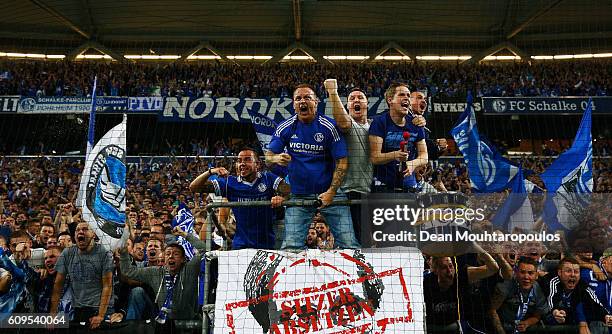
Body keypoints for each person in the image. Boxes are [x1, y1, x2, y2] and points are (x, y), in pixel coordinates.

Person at [266, 84, 359, 249]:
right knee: (291, 248)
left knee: (349, 245)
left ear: (316, 102)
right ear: (294, 105)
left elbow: (342, 161)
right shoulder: (285, 127)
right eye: (298, 98)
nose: (303, 101)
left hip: (332, 195)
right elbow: (268, 157)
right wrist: (276, 157)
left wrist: (331, 192)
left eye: (307, 97)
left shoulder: (329, 127)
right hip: (299, 196)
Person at [190, 148, 289, 249]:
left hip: (267, 244)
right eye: (239, 161)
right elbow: (193, 187)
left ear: (258, 164)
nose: (242, 163)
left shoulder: (268, 178)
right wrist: (210, 172)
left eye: (247, 160)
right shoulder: (230, 183)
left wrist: (282, 198)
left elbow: (289, 192)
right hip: (241, 245)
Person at [119, 227, 207, 332]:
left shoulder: (190, 269)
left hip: (189, 322)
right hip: (165, 323)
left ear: (183, 259)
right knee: (137, 292)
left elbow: (204, 249)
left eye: (176, 254)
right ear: (164, 258)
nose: (171, 257)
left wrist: (184, 234)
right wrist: (124, 253)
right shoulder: (155, 272)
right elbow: (128, 271)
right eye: (168, 254)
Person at [325, 79, 372, 243]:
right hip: (347, 192)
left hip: (373, 193)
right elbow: (343, 122)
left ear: (367, 103)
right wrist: (333, 92)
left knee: (373, 243)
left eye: (360, 97)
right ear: (347, 106)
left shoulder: (375, 127)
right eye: (352, 99)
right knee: (352, 243)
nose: (356, 100)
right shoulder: (346, 124)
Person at [50, 222, 114, 329]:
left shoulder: (104, 253)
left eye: (84, 229)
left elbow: (107, 286)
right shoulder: (67, 253)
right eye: (77, 230)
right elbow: (58, 285)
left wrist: (100, 315)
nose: (80, 232)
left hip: (101, 308)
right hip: (78, 309)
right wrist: (52, 314)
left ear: (93, 233)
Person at [423, 244, 500, 332]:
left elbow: (494, 268)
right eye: (444, 267)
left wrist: (474, 246)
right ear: (435, 270)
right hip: (431, 328)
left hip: (456, 326)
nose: (449, 271)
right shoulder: (424, 282)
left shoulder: (460, 276)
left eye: (451, 266)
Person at [369, 83, 428, 192]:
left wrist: (412, 164)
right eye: (401, 94)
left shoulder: (416, 124)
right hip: (383, 186)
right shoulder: (379, 123)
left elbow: (424, 156)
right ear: (390, 100)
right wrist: (395, 155)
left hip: (410, 187)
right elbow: (374, 157)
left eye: (408, 95)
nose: (406, 97)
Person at [540, 257, 612, 332]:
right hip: (544, 319)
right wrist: (555, 311)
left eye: (576, 272)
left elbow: (594, 302)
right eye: (568, 271)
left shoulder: (581, 285)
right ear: (559, 273)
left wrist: (606, 315)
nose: (573, 275)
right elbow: (552, 298)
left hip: (568, 319)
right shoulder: (553, 281)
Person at [489, 257, 549, 334]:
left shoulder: (537, 288)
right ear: (516, 273)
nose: (526, 277)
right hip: (503, 328)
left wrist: (527, 323)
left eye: (530, 273)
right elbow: (492, 311)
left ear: (536, 275)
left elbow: (538, 315)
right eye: (522, 272)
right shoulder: (505, 286)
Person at [409, 90, 448, 161]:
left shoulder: (423, 129)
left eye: (425, 99)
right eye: (419, 98)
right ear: (408, 101)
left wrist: (439, 147)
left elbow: (430, 154)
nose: (424, 101)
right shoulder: (396, 118)